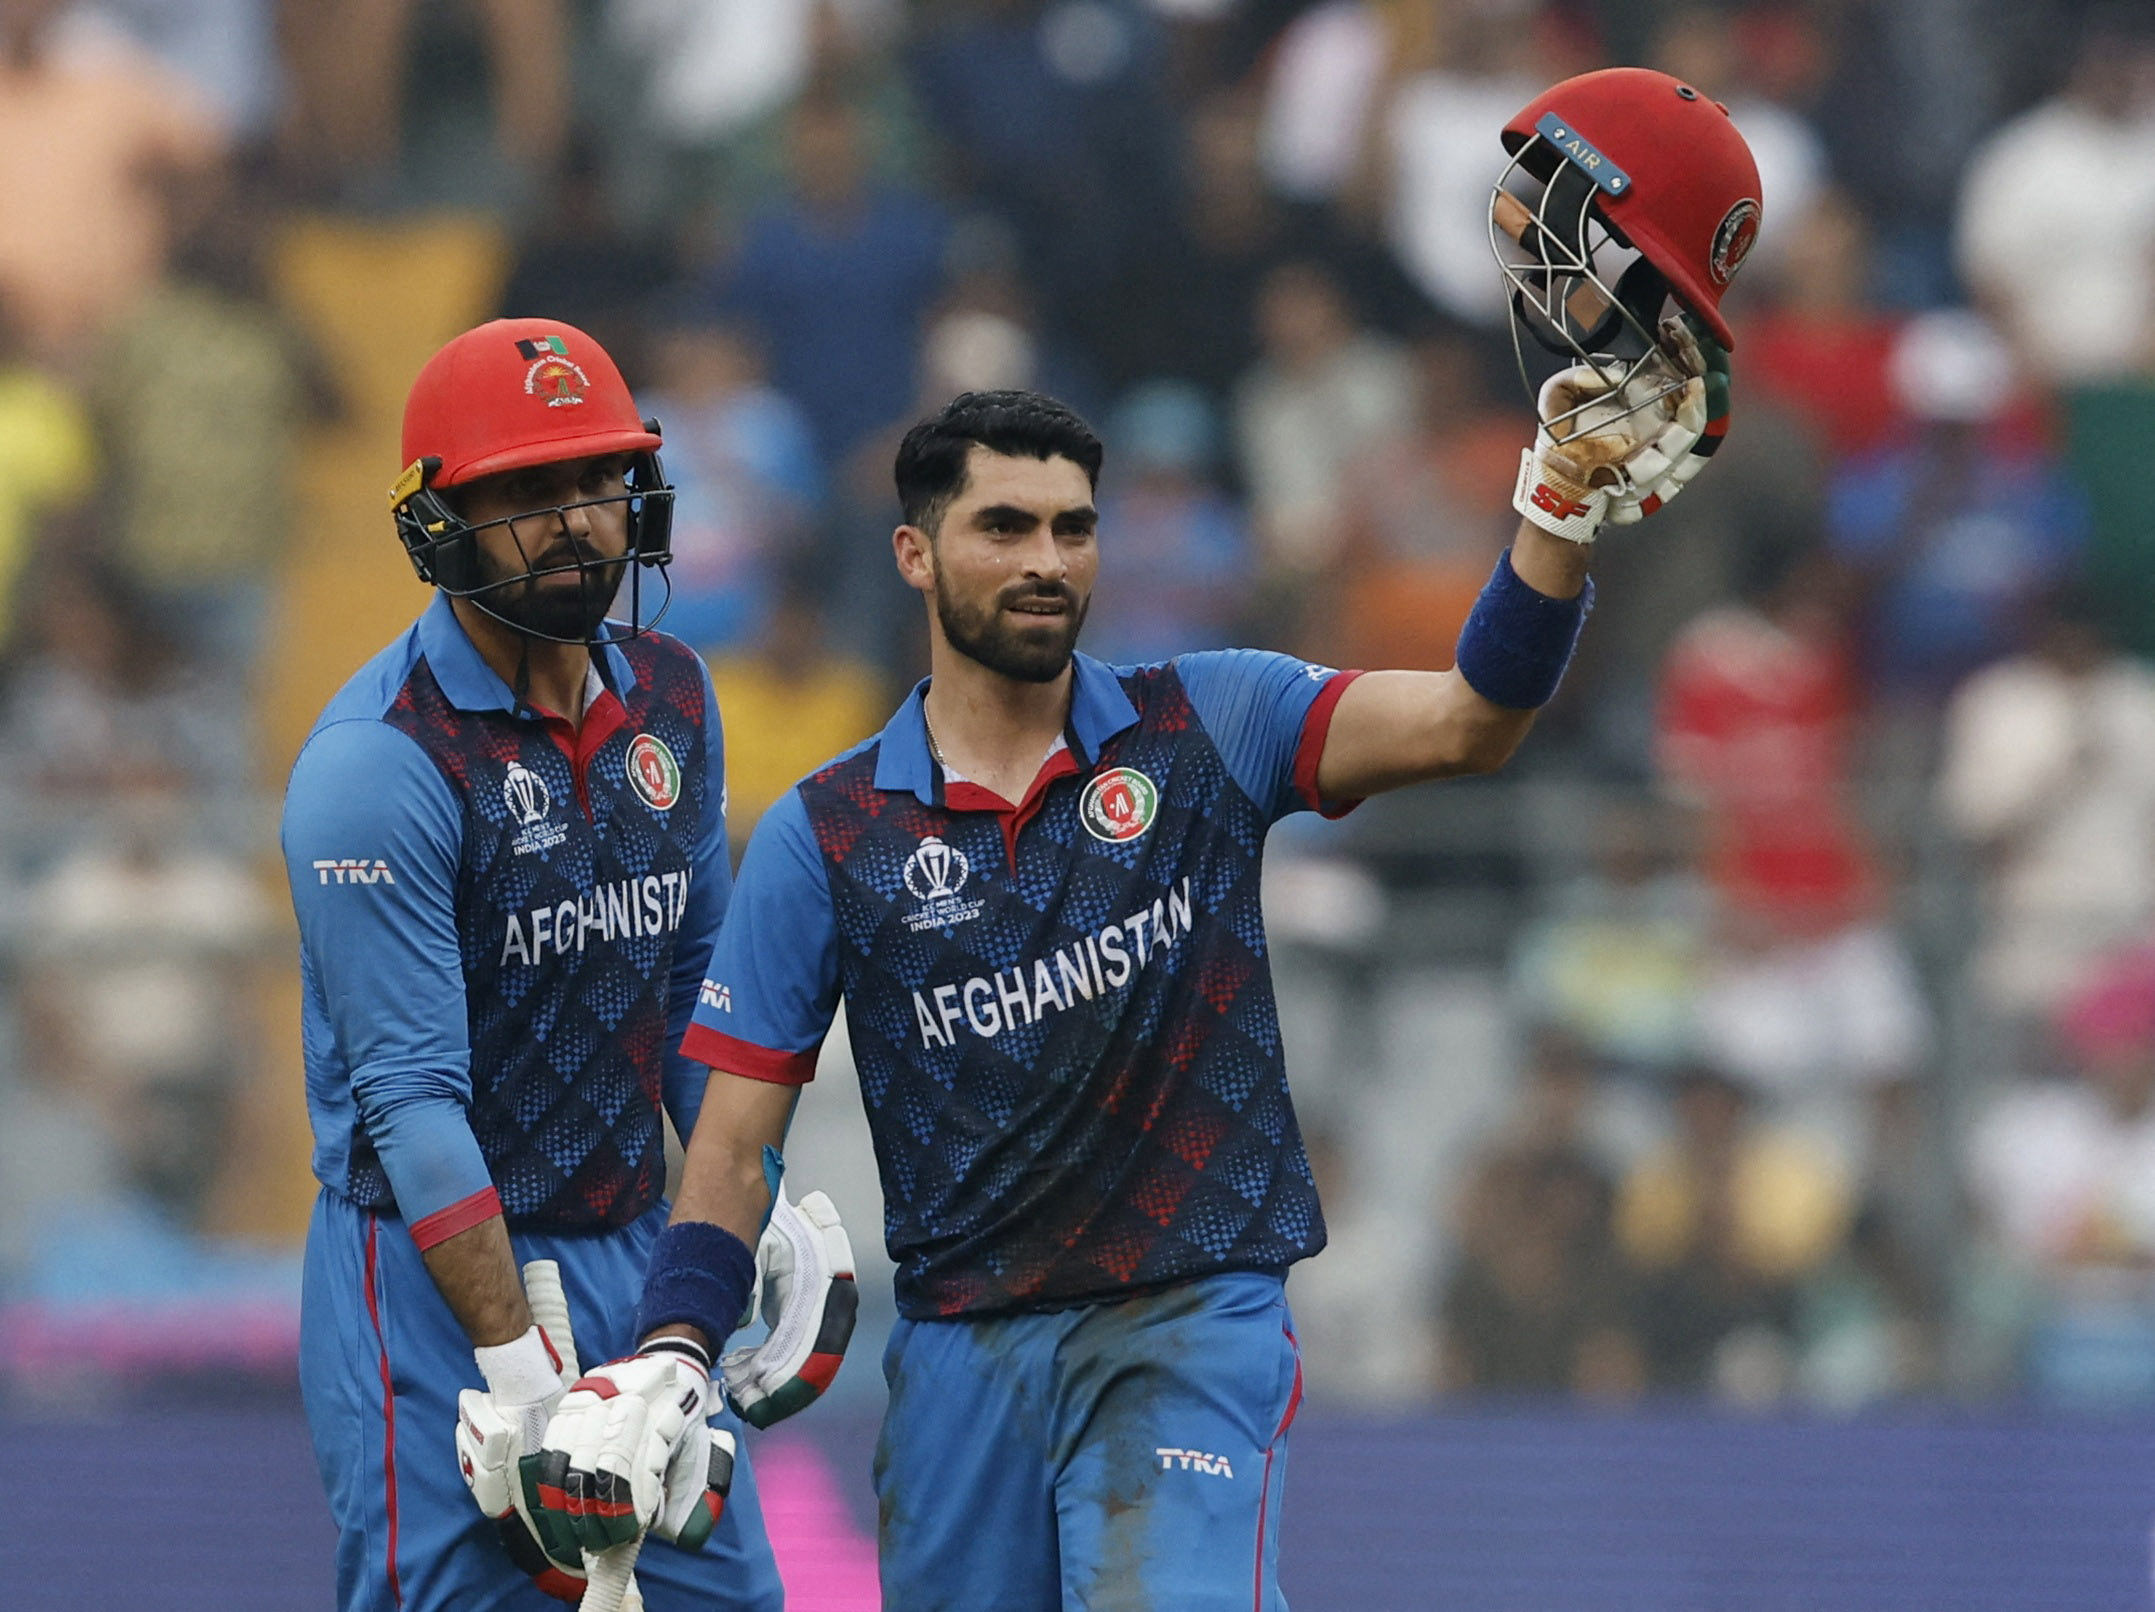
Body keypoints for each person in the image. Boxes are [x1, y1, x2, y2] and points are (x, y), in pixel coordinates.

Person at [535, 67, 1754, 1608]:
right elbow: (728, 1143)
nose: (1046, 562)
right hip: (970, 1354)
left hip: (1189, 1322)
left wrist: (1555, 515)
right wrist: (663, 1357)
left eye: (1073, 528)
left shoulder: (1210, 722)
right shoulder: (827, 834)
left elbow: (1469, 719)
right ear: (914, 555)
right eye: (1002, 529)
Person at [280, 317, 837, 1612]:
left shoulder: (677, 698)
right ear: (439, 525)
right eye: (525, 495)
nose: (574, 522)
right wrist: (521, 1374)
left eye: (593, 483)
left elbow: (705, 1006)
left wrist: (756, 1234)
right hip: (425, 1277)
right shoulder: (378, 765)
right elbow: (413, 1106)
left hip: (632, 1246)